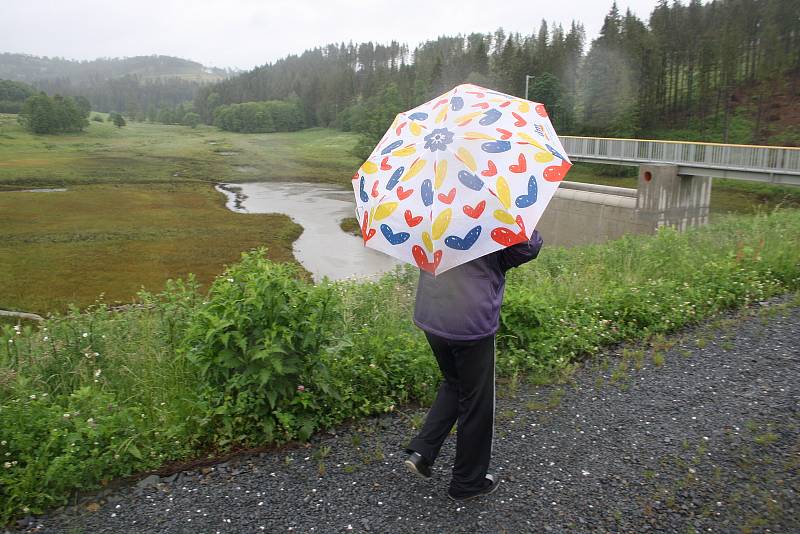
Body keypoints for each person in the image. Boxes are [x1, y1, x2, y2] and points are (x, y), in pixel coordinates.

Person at [404, 230, 544, 501]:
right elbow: (525, 250)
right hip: (470, 320)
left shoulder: (431, 207)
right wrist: (522, 220)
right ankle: (468, 482)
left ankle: (422, 450)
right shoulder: (490, 212)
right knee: (477, 403)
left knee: (455, 382)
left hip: (433, 314)